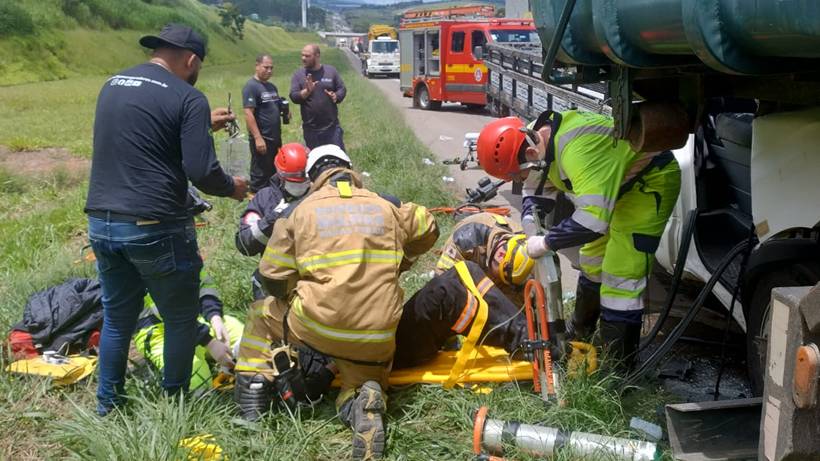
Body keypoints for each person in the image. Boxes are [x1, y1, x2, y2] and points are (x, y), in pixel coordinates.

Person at [235, 144, 439, 460]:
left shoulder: (300, 211)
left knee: (260, 314)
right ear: (350, 168)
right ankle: (361, 402)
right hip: (377, 334)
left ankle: (252, 409)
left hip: (319, 327)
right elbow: (429, 227)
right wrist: (402, 262)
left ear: (312, 176)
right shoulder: (385, 205)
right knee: (361, 381)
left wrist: (299, 290)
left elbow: (270, 276)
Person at [85, 23, 248, 415]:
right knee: (180, 319)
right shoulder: (188, 97)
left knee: (117, 319)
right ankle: (176, 404)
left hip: (102, 222)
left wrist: (199, 126)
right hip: (155, 226)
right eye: (198, 68)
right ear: (191, 60)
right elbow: (202, 171)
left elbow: (144, 135)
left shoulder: (113, 84)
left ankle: (108, 405)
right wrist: (233, 188)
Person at [476, 110, 681, 369]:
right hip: (611, 188)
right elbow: (535, 189)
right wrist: (531, 224)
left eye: (517, 175)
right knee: (592, 260)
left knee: (621, 276)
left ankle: (619, 368)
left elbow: (593, 222)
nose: (518, 180)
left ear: (530, 154)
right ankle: (581, 332)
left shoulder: (575, 151)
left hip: (647, 183)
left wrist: (546, 242)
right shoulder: (532, 139)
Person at [134, 268, 244, 392]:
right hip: (159, 333)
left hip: (196, 320)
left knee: (248, 340)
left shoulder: (186, 254)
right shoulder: (147, 259)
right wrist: (209, 342)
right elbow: (167, 310)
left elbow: (204, 284)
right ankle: (157, 373)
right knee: (197, 386)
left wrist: (214, 316)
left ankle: (223, 364)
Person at [235, 143, 310, 300]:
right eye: (293, 179)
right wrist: (272, 220)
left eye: (303, 178)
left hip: (313, 274)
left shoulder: (319, 196)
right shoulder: (265, 199)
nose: (298, 183)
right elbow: (244, 244)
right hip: (278, 278)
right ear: (280, 175)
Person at [434, 212, 534, 305]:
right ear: (500, 255)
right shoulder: (466, 238)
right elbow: (442, 278)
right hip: (469, 260)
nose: (496, 279)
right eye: (498, 276)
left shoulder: (526, 246)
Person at [243, 54, 290, 192]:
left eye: (271, 68)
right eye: (266, 67)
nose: (269, 71)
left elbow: (274, 106)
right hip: (262, 139)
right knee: (260, 174)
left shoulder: (271, 87)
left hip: (275, 138)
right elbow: (248, 113)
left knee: (274, 171)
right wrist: (258, 138)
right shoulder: (251, 86)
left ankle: (272, 198)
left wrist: (285, 111)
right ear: (257, 66)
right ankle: (255, 201)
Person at [290, 45, 347, 150]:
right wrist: (307, 91)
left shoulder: (331, 71)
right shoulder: (298, 75)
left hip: (332, 129)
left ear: (317, 56)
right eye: (302, 55)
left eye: (307, 56)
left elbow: (342, 89)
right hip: (311, 130)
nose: (303, 58)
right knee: (315, 159)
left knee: (337, 158)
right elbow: (294, 96)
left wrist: (336, 96)